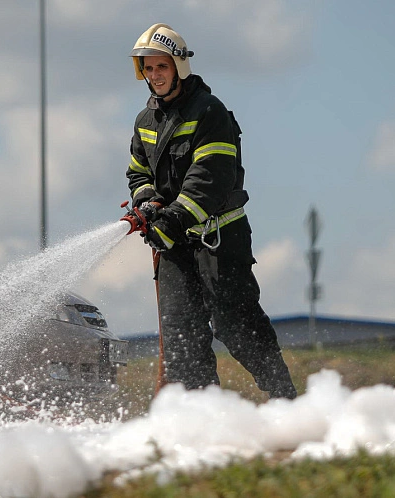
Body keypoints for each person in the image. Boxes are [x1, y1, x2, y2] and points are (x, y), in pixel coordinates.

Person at [126, 24, 297, 399]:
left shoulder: (209, 112)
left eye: (162, 67)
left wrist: (171, 218)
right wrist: (148, 201)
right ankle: (203, 421)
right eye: (148, 68)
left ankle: (287, 402)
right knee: (181, 338)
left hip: (219, 238)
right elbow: (138, 172)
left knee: (237, 324)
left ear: (178, 67)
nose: (155, 75)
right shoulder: (144, 121)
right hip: (174, 244)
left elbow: (209, 179)